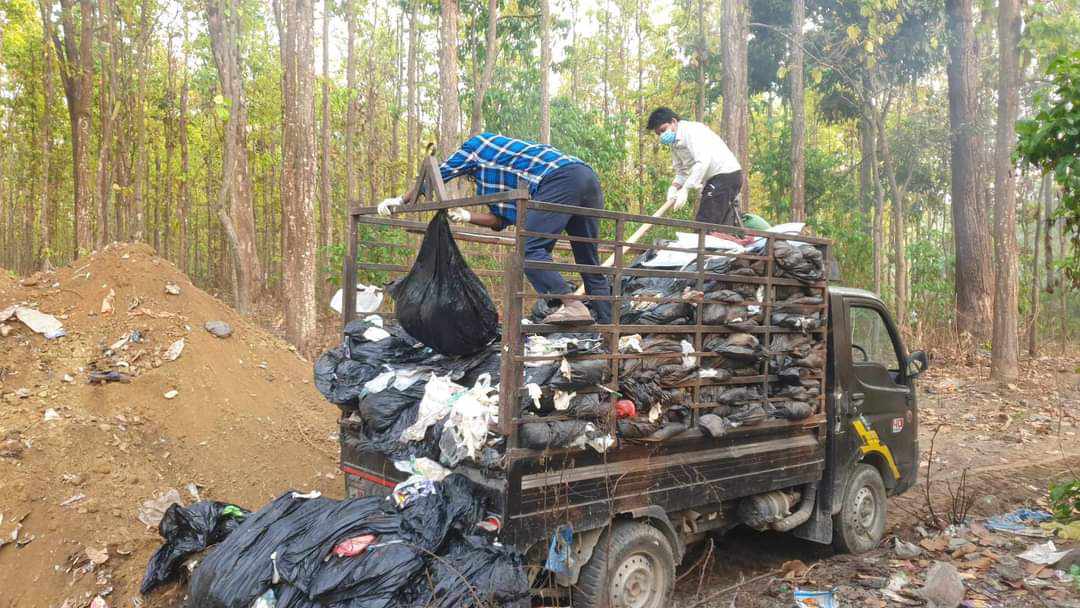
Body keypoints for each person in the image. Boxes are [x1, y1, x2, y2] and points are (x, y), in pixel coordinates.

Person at [377, 133, 612, 325]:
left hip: (559, 178)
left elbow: (439, 173)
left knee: (528, 250)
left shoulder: (477, 146)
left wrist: (401, 200)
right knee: (588, 262)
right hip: (587, 178)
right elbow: (500, 221)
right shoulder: (496, 179)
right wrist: (468, 216)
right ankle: (610, 328)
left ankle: (573, 305)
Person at [646, 107, 744, 226]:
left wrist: (686, 189)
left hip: (726, 175)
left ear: (673, 122)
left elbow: (703, 161)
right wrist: (673, 188)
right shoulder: (675, 143)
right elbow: (682, 172)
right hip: (714, 179)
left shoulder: (692, 131)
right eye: (659, 134)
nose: (662, 135)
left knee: (704, 223)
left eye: (663, 130)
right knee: (711, 224)